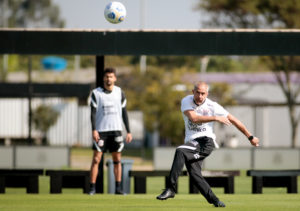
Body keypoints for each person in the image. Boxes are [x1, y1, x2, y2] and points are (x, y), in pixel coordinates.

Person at [156, 81, 259, 207]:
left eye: (203, 93)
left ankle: (171, 189)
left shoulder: (213, 106)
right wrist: (215, 118)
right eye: (197, 93)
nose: (200, 96)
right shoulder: (186, 101)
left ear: (207, 94)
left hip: (206, 142)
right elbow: (194, 118)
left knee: (180, 151)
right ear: (193, 92)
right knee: (194, 175)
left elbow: (234, 120)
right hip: (192, 143)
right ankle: (215, 201)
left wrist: (250, 137)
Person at [88, 67, 132, 195]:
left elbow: (124, 112)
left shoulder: (119, 92)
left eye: (111, 76)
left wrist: (128, 131)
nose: (109, 79)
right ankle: (92, 188)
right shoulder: (96, 93)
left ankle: (118, 188)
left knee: (117, 160)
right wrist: (94, 130)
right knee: (96, 159)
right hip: (101, 131)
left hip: (116, 130)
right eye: (107, 77)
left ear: (115, 78)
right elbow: (93, 113)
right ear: (103, 78)